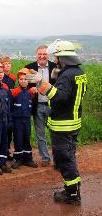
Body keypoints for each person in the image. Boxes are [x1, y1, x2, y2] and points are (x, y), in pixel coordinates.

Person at [26, 40, 87, 205]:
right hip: (73, 122)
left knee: (64, 159)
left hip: (63, 125)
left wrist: (41, 83)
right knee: (69, 157)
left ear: (63, 57)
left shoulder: (67, 75)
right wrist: (57, 78)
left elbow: (59, 97)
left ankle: (72, 195)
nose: (55, 60)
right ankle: (72, 189)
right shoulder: (78, 72)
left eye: (57, 57)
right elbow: (71, 95)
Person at [25, 45, 56, 167]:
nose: (42, 56)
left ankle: (57, 157)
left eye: (44, 54)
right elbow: (24, 84)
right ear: (36, 55)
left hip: (52, 105)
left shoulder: (55, 67)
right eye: (40, 54)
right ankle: (45, 158)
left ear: (48, 55)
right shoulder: (29, 68)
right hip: (37, 105)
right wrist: (30, 89)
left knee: (55, 133)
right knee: (40, 134)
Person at [10, 68, 38, 169]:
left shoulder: (31, 92)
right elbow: (10, 106)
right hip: (17, 120)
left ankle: (28, 159)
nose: (23, 81)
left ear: (28, 81)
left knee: (27, 138)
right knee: (18, 139)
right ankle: (18, 159)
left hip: (26, 119)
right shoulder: (14, 92)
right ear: (18, 80)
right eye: (21, 79)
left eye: (25, 79)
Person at [1, 56, 16, 161]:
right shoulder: (0, 77)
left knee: (10, 129)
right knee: (3, 130)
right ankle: (2, 151)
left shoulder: (13, 78)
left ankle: (7, 150)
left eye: (9, 63)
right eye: (5, 63)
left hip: (11, 106)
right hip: (3, 107)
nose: (8, 65)